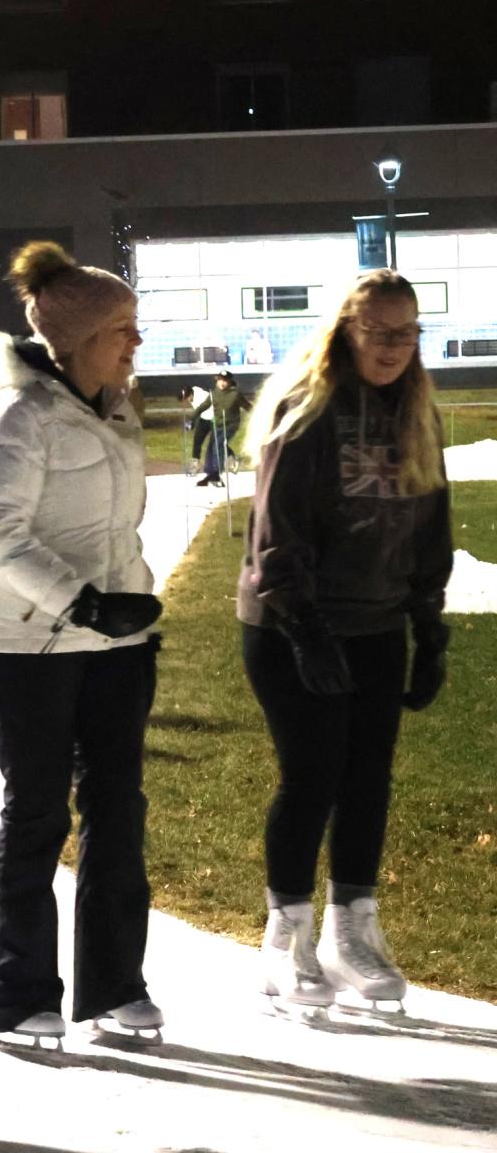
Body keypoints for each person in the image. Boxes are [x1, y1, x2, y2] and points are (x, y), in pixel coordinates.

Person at [0, 240, 163, 1047]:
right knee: (39, 811)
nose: (135, 343)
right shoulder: (20, 415)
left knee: (119, 810)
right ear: (80, 338)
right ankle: (18, 995)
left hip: (118, 643)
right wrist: (82, 605)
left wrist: (126, 609)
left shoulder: (115, 411)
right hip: (30, 648)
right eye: (124, 328)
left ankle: (115, 983)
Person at [237, 269, 452, 1010]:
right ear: (345, 333)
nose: (394, 346)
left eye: (407, 332)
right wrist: (305, 629)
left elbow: (430, 527)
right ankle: (285, 933)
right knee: (313, 775)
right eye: (378, 331)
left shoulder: (420, 415)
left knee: (368, 781)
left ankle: (352, 929)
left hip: (377, 622)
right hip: (292, 623)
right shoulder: (307, 413)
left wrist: (429, 626)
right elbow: (276, 537)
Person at [194, 371, 252, 487]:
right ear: (217, 381)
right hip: (218, 425)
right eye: (220, 380)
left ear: (230, 382)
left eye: (225, 381)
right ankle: (210, 473)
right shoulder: (213, 394)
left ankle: (216, 473)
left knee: (218, 446)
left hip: (231, 425)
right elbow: (202, 407)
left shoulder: (235, 394)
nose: (222, 383)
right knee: (211, 448)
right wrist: (192, 419)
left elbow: (248, 407)